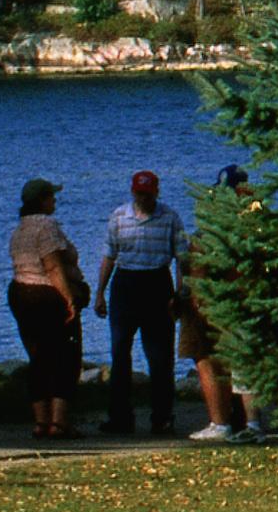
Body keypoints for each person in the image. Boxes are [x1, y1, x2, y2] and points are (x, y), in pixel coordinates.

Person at [99, 166, 189, 435]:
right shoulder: (119, 216)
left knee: (160, 358)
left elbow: (182, 259)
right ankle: (120, 418)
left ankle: (162, 418)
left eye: (148, 194)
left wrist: (179, 293)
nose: (144, 199)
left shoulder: (170, 217)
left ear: (156, 193)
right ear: (133, 192)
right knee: (120, 353)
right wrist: (100, 293)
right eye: (139, 194)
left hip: (157, 284)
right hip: (125, 284)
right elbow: (109, 256)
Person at [4, 178, 85, 440]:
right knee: (66, 356)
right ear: (42, 200)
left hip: (21, 292)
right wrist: (68, 298)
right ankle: (59, 422)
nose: (55, 200)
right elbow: (52, 265)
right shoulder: (47, 226)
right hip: (47, 295)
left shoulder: (19, 230)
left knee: (39, 357)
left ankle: (40, 421)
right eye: (51, 196)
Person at [182, 164, 254, 442]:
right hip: (233, 300)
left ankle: (225, 422)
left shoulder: (217, 229)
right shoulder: (254, 220)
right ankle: (242, 422)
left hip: (222, 302)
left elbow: (197, 263)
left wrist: (198, 301)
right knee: (226, 363)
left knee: (212, 361)